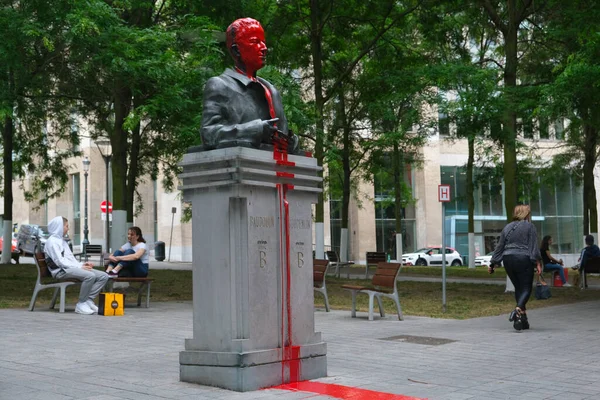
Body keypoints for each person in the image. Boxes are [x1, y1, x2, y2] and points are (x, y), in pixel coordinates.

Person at [200, 17, 299, 153]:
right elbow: (208, 134)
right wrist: (255, 129)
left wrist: (292, 142)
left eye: (263, 42)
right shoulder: (219, 85)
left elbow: (283, 134)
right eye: (255, 42)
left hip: (276, 168)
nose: (264, 48)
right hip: (242, 166)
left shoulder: (271, 90)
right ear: (236, 51)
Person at [489, 205, 542, 331]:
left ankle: (521, 320)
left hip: (508, 260)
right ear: (526, 214)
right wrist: (538, 262)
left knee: (518, 288)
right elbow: (533, 246)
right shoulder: (530, 226)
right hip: (523, 259)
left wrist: (493, 263)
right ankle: (517, 310)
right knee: (526, 288)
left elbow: (500, 246)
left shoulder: (507, 227)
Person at [44, 216, 109, 315]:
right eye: (66, 226)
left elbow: (70, 259)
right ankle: (81, 304)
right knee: (90, 276)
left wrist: (82, 264)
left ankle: (89, 301)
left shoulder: (62, 241)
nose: (68, 228)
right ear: (59, 227)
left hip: (69, 269)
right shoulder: (52, 242)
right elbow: (60, 262)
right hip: (60, 271)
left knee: (103, 276)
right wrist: (79, 267)